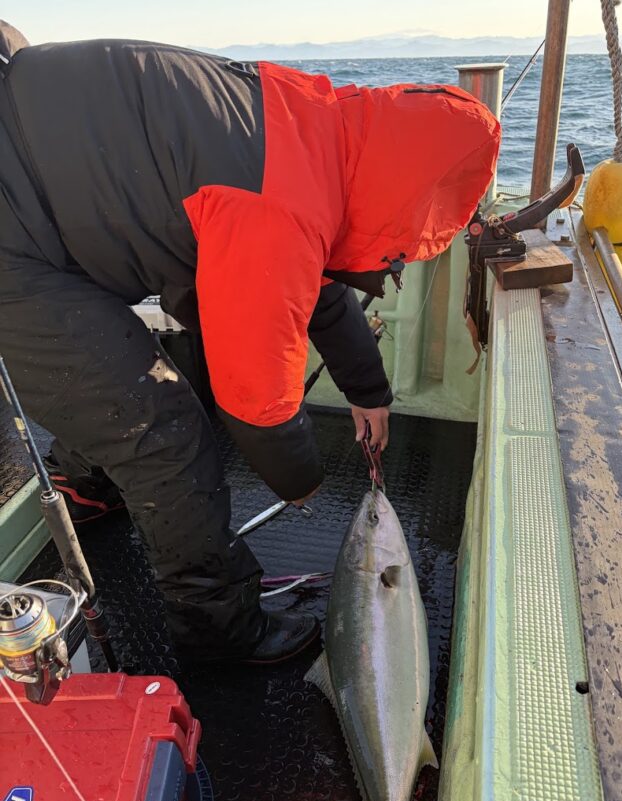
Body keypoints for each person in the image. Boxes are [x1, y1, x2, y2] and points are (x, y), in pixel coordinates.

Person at [0, 22, 500, 665]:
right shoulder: (280, 210)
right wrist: (303, 484)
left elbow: (310, 279)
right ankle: (217, 630)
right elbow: (257, 399)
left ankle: (85, 485)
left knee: (119, 378)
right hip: (19, 242)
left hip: (47, 189)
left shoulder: (312, 128)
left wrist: (369, 390)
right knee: (160, 427)